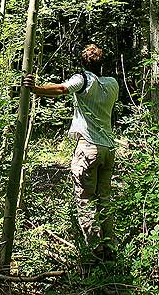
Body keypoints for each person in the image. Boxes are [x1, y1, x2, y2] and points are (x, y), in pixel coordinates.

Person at [23, 43, 119, 262]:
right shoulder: (113, 84)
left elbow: (60, 89)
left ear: (83, 62)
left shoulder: (83, 79)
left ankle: (95, 254)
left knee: (86, 200)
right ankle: (110, 249)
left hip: (88, 147)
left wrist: (35, 88)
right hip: (108, 149)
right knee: (104, 199)